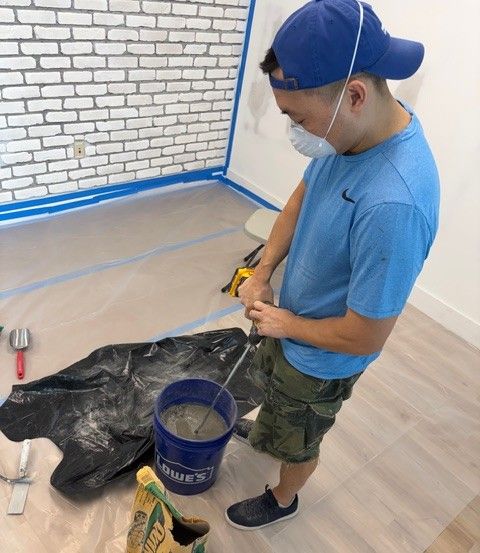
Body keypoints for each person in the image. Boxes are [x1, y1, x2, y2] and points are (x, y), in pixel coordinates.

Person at [225, 0, 440, 531]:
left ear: (355, 95)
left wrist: (287, 324)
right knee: (276, 399)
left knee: (300, 436)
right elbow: (300, 199)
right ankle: (270, 425)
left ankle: (283, 498)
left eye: (298, 118)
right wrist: (263, 272)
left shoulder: (395, 204)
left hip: (322, 362)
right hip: (292, 325)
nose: (295, 132)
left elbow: (366, 336)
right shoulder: (351, 135)